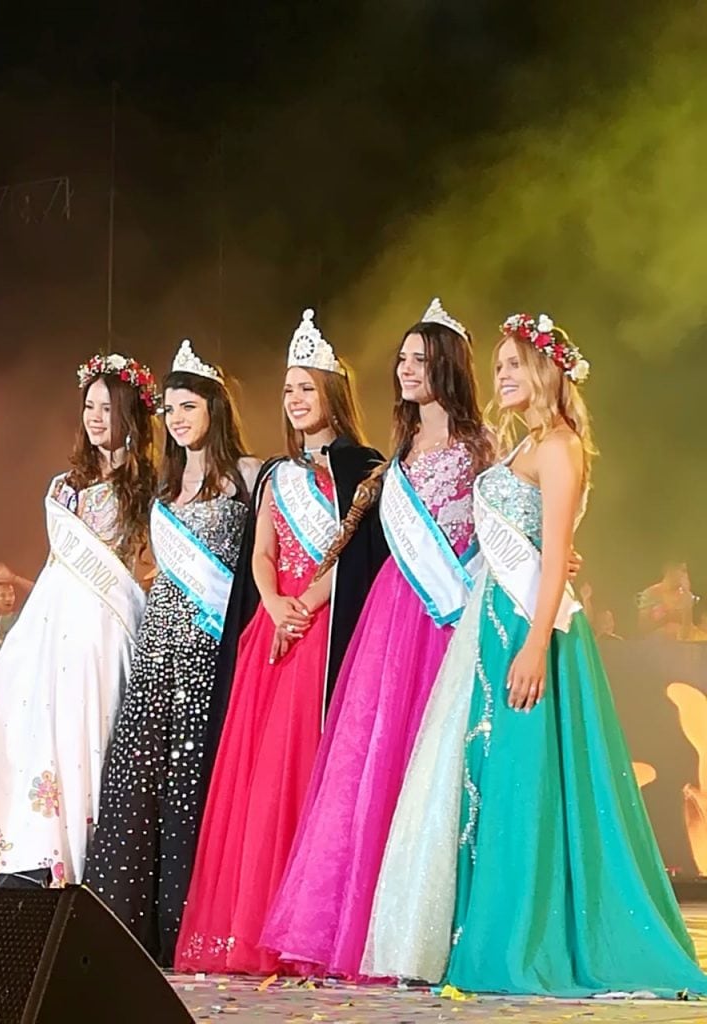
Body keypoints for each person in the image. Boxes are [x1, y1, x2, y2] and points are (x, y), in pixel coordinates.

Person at [364, 313, 707, 997]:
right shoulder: (527, 445)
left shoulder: (561, 449)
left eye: (515, 365)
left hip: (531, 628)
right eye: (498, 370)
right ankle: (487, 930)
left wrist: (535, 644)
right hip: (492, 623)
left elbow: (553, 562)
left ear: (548, 369)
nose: (503, 378)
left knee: (529, 785)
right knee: (491, 782)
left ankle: (526, 937)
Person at [261, 298, 492, 977]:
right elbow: (349, 544)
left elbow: (502, 526)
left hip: (448, 609)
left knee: (434, 760)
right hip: (394, 615)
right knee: (375, 760)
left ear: (446, 368)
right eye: (401, 359)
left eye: (420, 361)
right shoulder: (393, 458)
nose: (405, 370)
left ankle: (434, 922)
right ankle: (371, 927)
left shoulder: (480, 448)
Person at [174, 308, 388, 975]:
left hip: (324, 630)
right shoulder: (274, 476)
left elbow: (363, 561)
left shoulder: (366, 470)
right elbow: (260, 552)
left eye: (306, 386)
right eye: (287, 388)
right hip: (275, 631)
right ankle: (249, 923)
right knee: (258, 780)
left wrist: (307, 605)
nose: (294, 399)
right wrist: (273, 602)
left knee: (308, 766)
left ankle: (310, 924)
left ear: (332, 392)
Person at [0, 353, 157, 887]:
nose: (96, 417)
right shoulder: (64, 485)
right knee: (30, 734)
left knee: (90, 734)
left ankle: (87, 866)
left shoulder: (149, 483)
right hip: (48, 629)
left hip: (104, 631)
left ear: (131, 412)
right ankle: (28, 853)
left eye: (108, 407)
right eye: (89, 406)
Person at [85, 341, 261, 966]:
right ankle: (120, 928)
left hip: (208, 650)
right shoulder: (164, 484)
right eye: (170, 410)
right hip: (159, 640)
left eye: (189, 406)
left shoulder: (248, 475)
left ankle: (182, 928)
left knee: (190, 787)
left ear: (214, 407)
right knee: (134, 782)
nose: (178, 419)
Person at [638, 562, 698, 641]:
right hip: (656, 643)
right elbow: (642, 627)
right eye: (681, 570)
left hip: (681, 643)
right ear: (669, 571)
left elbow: (687, 629)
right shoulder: (651, 593)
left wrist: (686, 593)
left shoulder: (686, 596)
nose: (684, 575)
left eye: (685, 571)